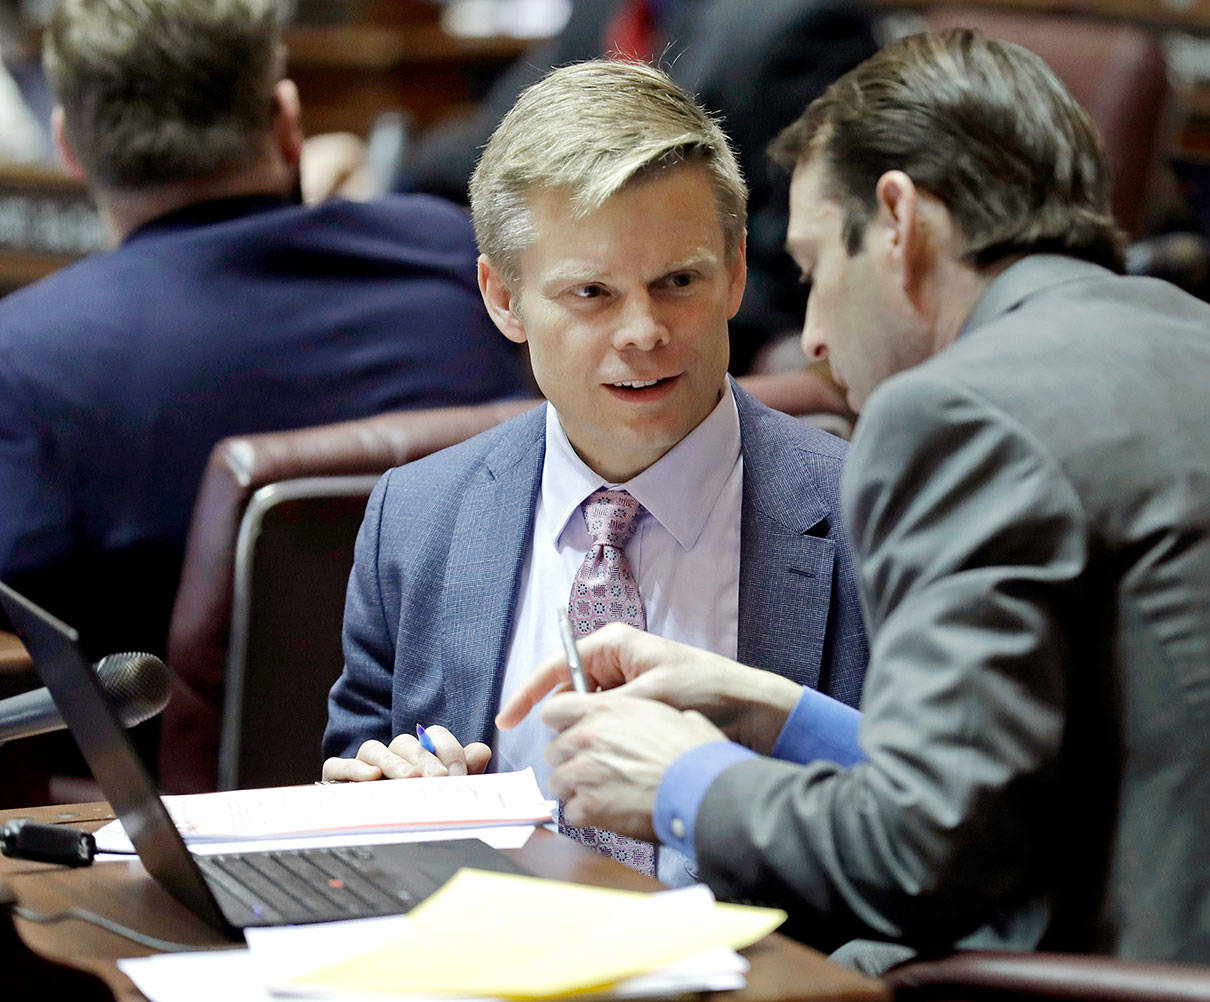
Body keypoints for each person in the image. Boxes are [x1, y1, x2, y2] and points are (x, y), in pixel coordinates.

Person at [497, 30, 1210, 971]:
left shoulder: (954, 412)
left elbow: (927, 854)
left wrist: (681, 778)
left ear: (900, 222)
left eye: (818, 266)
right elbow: (1014, 784)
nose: (815, 337)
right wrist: (779, 710)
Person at [321, 59, 869, 887]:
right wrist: (395, 793)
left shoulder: (868, 514)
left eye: (678, 282)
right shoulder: (419, 516)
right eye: (591, 293)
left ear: (737, 273)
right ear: (503, 299)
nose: (644, 331)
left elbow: (932, 827)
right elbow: (353, 770)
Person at [0, 0, 530, 662]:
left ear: (67, 148)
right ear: (286, 120)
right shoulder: (461, 263)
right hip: (475, 741)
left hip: (180, 763)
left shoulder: (26, 355)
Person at [393, 0, 879, 372]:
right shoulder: (604, 10)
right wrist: (393, 158)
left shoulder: (798, 24)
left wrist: (670, 286)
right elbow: (497, 133)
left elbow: (793, 264)